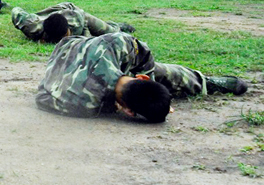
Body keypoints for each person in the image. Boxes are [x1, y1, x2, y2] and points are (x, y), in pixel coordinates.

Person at [36, 32, 249, 123]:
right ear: (128, 111)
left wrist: (156, 96)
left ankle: (206, 83)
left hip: (70, 49)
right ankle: (204, 82)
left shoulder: (118, 45)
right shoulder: (87, 106)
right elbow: (41, 98)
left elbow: (145, 57)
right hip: (68, 47)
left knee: (160, 72)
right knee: (166, 72)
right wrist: (109, 105)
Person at [11, 2, 135, 43]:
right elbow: (16, 11)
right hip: (55, 17)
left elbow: (16, 11)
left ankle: (118, 25)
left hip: (77, 14)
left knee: (111, 31)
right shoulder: (33, 29)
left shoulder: (76, 23)